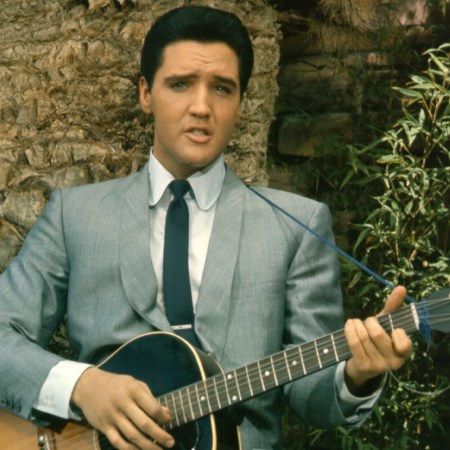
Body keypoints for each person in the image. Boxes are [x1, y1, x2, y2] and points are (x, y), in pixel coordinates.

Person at [0, 6, 412, 450]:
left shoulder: (296, 226)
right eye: (180, 84)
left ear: (239, 103)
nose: (201, 107)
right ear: (146, 93)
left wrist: (357, 374)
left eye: (221, 88)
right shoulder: (74, 215)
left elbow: (312, 398)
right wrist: (82, 386)